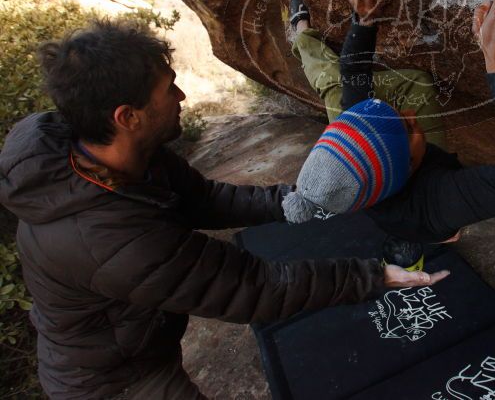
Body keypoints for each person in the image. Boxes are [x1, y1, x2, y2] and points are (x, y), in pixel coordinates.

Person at [0, 20, 448, 400]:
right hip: (114, 382)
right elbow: (256, 288)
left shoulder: (114, 158)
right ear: (127, 116)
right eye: (166, 88)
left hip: (137, 344)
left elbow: (202, 199)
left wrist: (292, 201)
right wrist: (375, 276)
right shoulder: (109, 239)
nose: (181, 96)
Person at [283, 0, 495, 245]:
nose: (411, 114)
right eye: (408, 126)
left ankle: (306, 37)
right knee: (329, 81)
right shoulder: (433, 203)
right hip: (425, 212)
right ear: (410, 165)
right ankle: (302, 33)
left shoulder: (364, 149)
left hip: (392, 165)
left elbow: (354, 72)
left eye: (398, 114)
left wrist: (364, 19)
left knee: (361, 83)